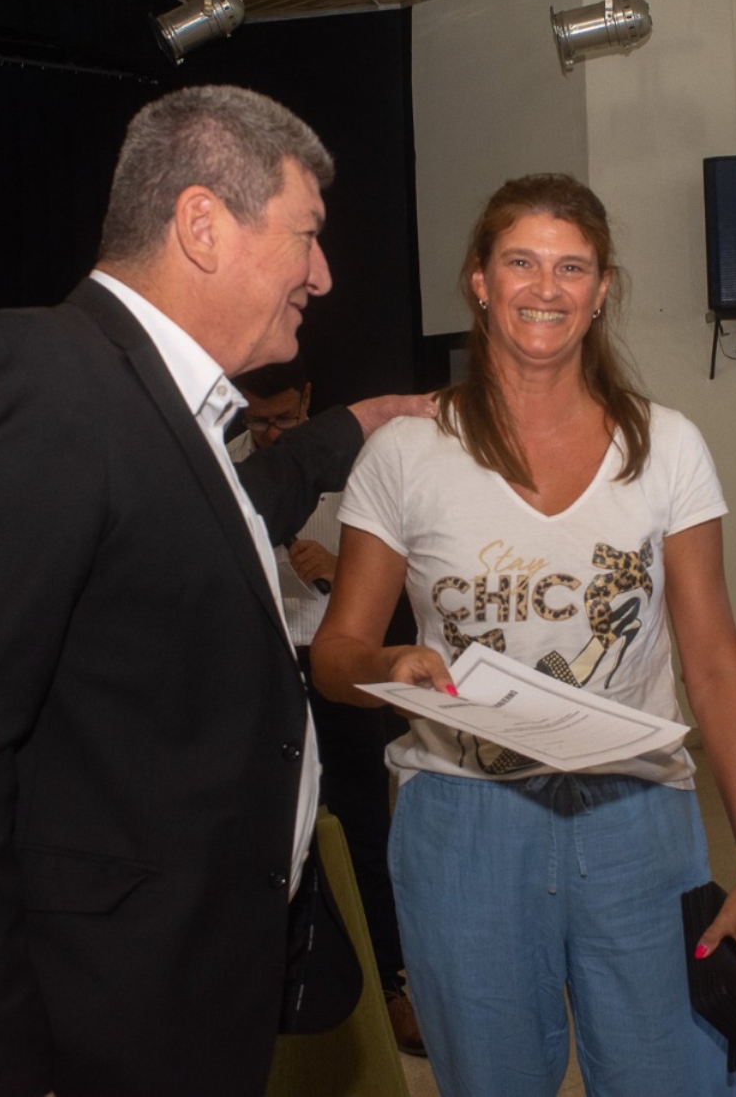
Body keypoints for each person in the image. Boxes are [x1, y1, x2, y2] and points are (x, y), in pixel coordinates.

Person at [0, 85, 434, 1097]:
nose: (323, 275)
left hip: (175, 1002)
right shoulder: (39, 377)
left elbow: (207, 526)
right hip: (71, 1032)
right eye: (306, 236)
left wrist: (353, 425)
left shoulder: (156, 405)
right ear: (202, 224)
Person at [311, 173, 736, 1096]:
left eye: (572, 267)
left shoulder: (666, 446)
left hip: (638, 811)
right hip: (464, 819)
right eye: (521, 261)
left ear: (602, 290)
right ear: (480, 281)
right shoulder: (407, 453)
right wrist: (389, 663)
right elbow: (334, 656)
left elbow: (716, 665)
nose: (546, 287)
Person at [226, 356, 427, 1056]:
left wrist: (341, 573)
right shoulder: (224, 468)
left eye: (285, 417)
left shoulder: (361, 465)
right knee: (263, 841)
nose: (273, 434)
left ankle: (391, 985)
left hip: (338, 674)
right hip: (260, 675)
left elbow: (412, 582)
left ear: (309, 396)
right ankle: (264, 1000)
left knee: (364, 830)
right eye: (259, 421)